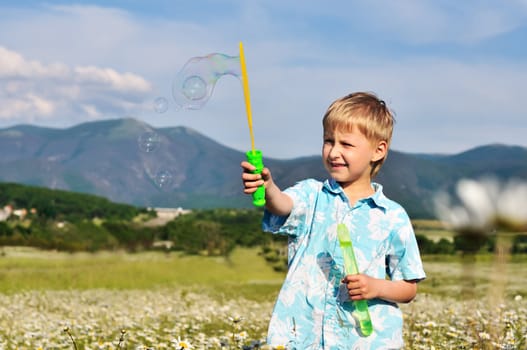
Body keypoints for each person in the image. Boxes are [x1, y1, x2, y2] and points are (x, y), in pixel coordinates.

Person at [241, 92, 426, 349]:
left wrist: (375, 287)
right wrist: (268, 187)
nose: (334, 152)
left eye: (346, 144)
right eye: (329, 141)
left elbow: (408, 287)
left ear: (378, 150)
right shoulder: (311, 195)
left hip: (364, 340)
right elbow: (283, 205)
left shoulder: (393, 216)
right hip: (304, 334)